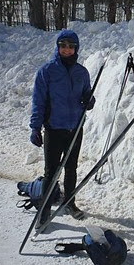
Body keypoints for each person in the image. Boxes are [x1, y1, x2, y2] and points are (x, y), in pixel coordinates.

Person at [29, 29, 95, 228]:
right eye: (63, 45)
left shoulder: (82, 72)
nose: (67, 49)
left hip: (75, 127)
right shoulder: (47, 71)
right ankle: (45, 210)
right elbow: (38, 101)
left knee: (71, 168)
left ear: (76, 49)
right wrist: (35, 127)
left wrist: (89, 100)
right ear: (58, 47)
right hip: (54, 128)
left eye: (71, 46)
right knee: (51, 171)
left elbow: (87, 94)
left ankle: (69, 203)